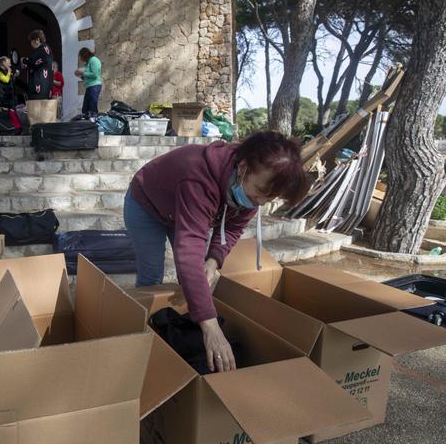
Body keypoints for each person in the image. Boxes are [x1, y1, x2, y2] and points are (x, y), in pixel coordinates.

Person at [124, 131, 310, 372]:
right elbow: (188, 250)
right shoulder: (199, 177)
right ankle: (143, 339)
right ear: (243, 167)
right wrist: (211, 327)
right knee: (152, 275)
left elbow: (232, 228)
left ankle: (179, 332)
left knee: (194, 278)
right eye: (259, 191)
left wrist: (213, 260)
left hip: (182, 208)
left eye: (268, 198)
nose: (259, 202)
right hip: (147, 204)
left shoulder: (250, 191)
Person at [20, 30, 53, 100]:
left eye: (31, 41)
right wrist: (26, 66)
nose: (31, 44)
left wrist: (23, 60)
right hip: (44, 87)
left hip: (40, 88)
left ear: (37, 40)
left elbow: (32, 60)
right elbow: (36, 64)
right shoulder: (45, 48)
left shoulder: (42, 49)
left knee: (37, 109)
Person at [75, 48, 102, 114]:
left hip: (94, 86)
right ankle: (87, 123)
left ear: (84, 55)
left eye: (81, 57)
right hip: (90, 86)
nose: (81, 59)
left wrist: (82, 73)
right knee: (85, 109)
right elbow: (88, 77)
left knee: (92, 108)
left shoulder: (93, 60)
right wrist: (80, 76)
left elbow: (95, 75)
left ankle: (93, 123)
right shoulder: (89, 62)